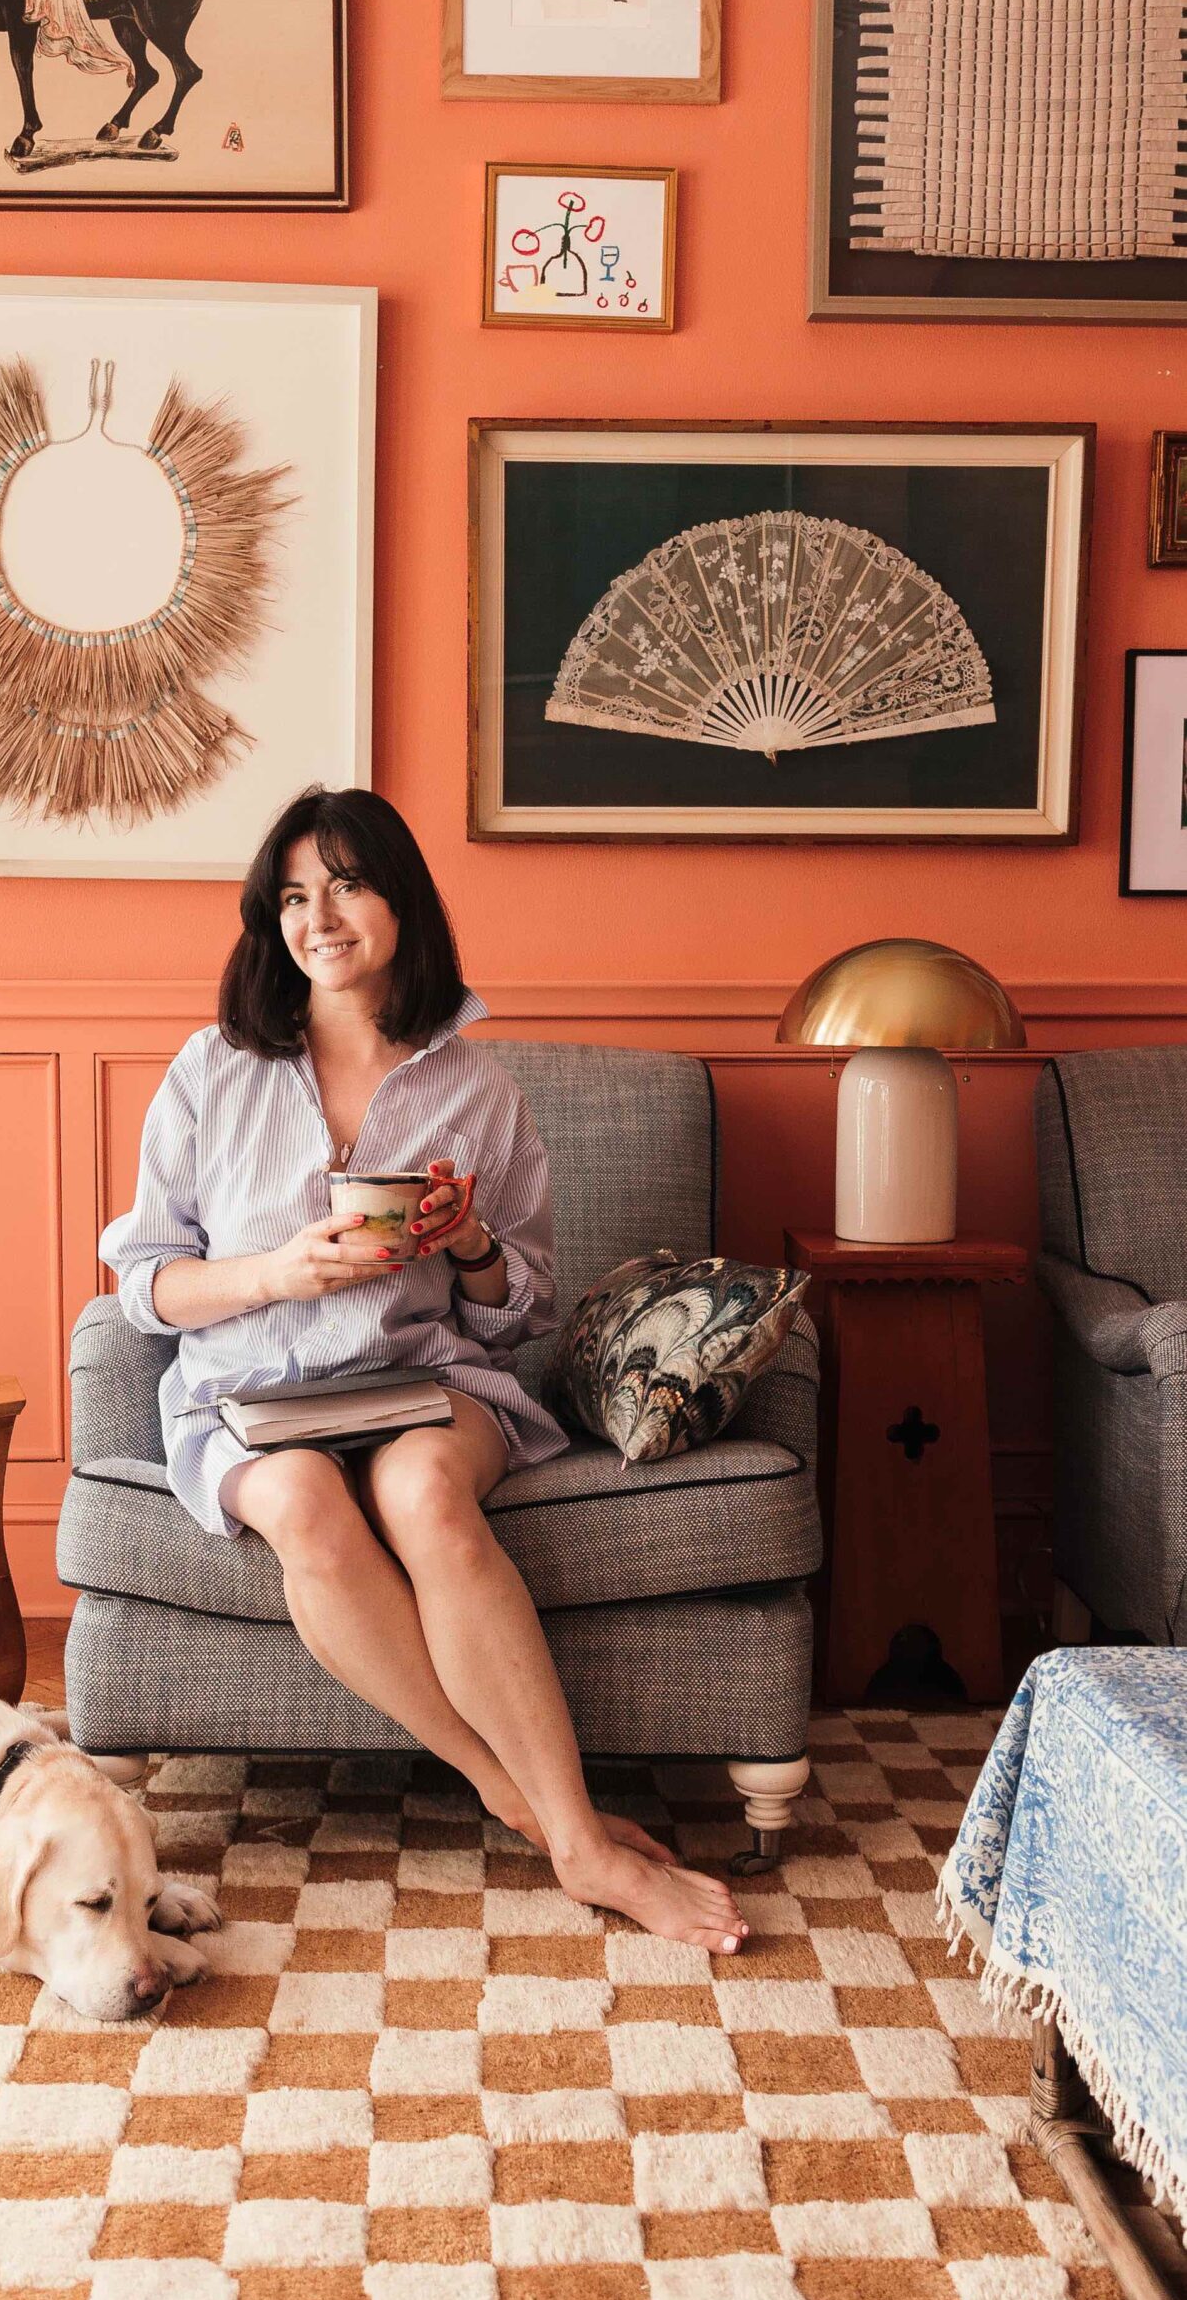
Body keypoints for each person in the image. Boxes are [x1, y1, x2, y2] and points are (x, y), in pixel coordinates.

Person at [101, 787, 746, 1952]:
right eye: (293, 896)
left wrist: (469, 1247)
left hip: (423, 1380)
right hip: (248, 1389)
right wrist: (270, 1276)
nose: (320, 916)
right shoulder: (212, 1069)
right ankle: (523, 1798)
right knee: (300, 1499)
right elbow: (141, 1284)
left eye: (346, 884)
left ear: (398, 898)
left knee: (423, 1497)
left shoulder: (475, 1089)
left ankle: (579, 1842)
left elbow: (521, 1315)